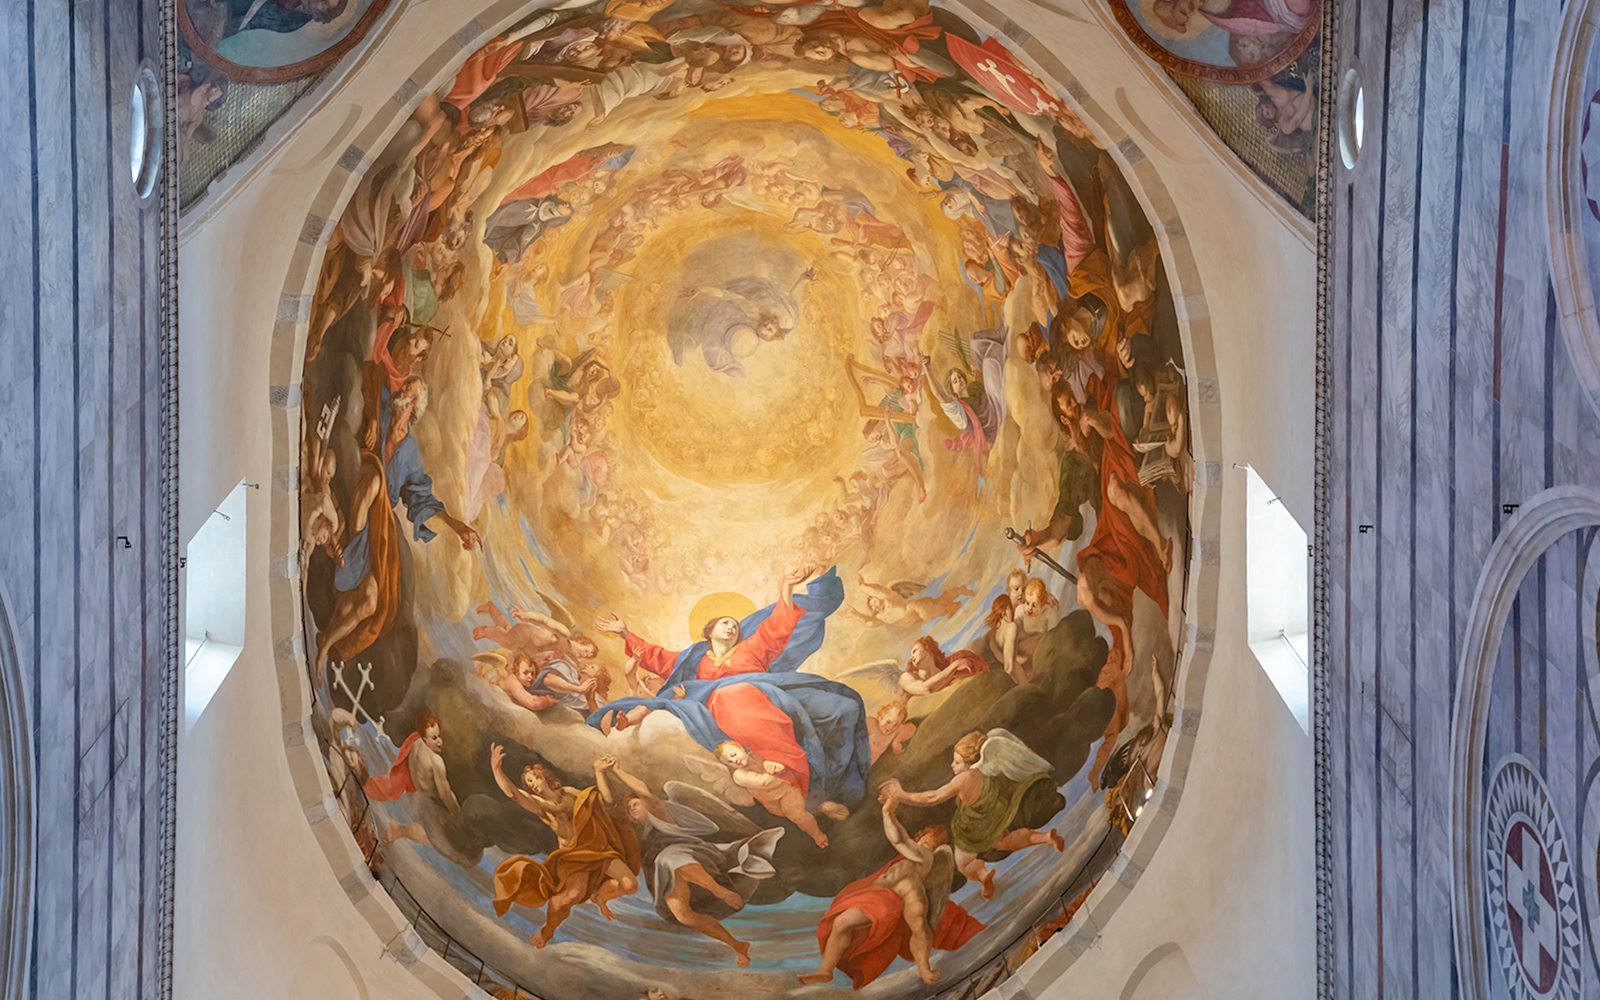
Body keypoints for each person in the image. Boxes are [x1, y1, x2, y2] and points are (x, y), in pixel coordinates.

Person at [588, 567, 873, 813]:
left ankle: (833, 781)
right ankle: (798, 778)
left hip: (767, 695)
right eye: (725, 623)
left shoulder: (751, 648)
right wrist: (625, 633)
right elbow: (658, 657)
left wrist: (787, 586)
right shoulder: (695, 657)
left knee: (843, 706)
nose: (731, 627)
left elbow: (776, 627)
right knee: (724, 695)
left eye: (735, 625)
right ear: (709, 631)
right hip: (719, 703)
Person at [315, 377, 480, 676]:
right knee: (376, 480)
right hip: (360, 484)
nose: (401, 390)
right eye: (404, 386)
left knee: (370, 602)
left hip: (379, 526)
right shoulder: (380, 404)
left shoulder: (411, 454)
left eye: (408, 390)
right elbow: (368, 376)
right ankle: (344, 545)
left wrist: (457, 528)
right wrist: (371, 423)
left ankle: (326, 644)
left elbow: (423, 507)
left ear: (415, 405)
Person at [596, 756, 783, 967]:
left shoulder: (661, 813)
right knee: (683, 915)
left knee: (669, 857)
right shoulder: (637, 832)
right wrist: (599, 772)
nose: (632, 810)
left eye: (635, 804)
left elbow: (645, 791)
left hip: (696, 854)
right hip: (664, 870)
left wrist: (617, 771)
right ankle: (738, 945)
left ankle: (719, 890)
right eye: (629, 811)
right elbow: (610, 802)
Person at [797, 799, 984, 987]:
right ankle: (825, 970)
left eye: (933, 839)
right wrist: (889, 814)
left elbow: (899, 840)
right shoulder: (913, 850)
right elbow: (902, 839)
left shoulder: (925, 854)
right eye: (926, 836)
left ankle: (923, 968)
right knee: (840, 922)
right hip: (880, 895)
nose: (927, 840)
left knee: (919, 924)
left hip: (908, 890)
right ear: (920, 836)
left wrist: (888, 813)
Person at [880, 730, 1064, 900]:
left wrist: (902, 795)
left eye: (957, 762)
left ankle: (983, 876)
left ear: (969, 763)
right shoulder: (984, 769)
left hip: (974, 825)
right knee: (1004, 841)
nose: (952, 765)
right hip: (994, 811)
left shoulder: (964, 778)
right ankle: (1046, 837)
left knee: (963, 863)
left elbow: (933, 797)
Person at [489, 747, 642, 946]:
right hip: (573, 858)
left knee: (630, 885)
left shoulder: (569, 793)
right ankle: (547, 932)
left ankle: (600, 897)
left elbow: (605, 802)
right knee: (567, 898)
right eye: (528, 783)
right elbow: (513, 794)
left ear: (544, 776)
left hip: (597, 849)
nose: (532, 785)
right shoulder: (540, 806)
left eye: (533, 778)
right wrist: (496, 770)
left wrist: (599, 772)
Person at [363, 711, 462, 851]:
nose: (440, 741)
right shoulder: (436, 761)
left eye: (439, 736)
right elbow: (445, 794)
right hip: (422, 802)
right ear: (425, 739)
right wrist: (457, 813)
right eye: (434, 738)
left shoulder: (415, 741)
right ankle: (399, 830)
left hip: (411, 794)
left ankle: (399, 829)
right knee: (437, 840)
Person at [666, 276, 800, 378]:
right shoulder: (761, 311)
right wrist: (702, 289)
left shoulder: (744, 323)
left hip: (719, 321)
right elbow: (726, 294)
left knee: (697, 329)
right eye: (770, 327)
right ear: (778, 330)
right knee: (700, 316)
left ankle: (684, 342)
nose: (769, 324)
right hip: (720, 309)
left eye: (764, 326)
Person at [842, 574, 972, 628]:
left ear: (878, 598)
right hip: (915, 619)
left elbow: (877, 590)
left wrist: (862, 586)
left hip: (916, 608)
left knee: (932, 610)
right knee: (941, 602)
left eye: (874, 602)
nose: (875, 606)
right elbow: (868, 623)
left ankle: (957, 597)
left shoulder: (889, 598)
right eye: (873, 607)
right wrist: (854, 614)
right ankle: (959, 591)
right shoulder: (882, 617)